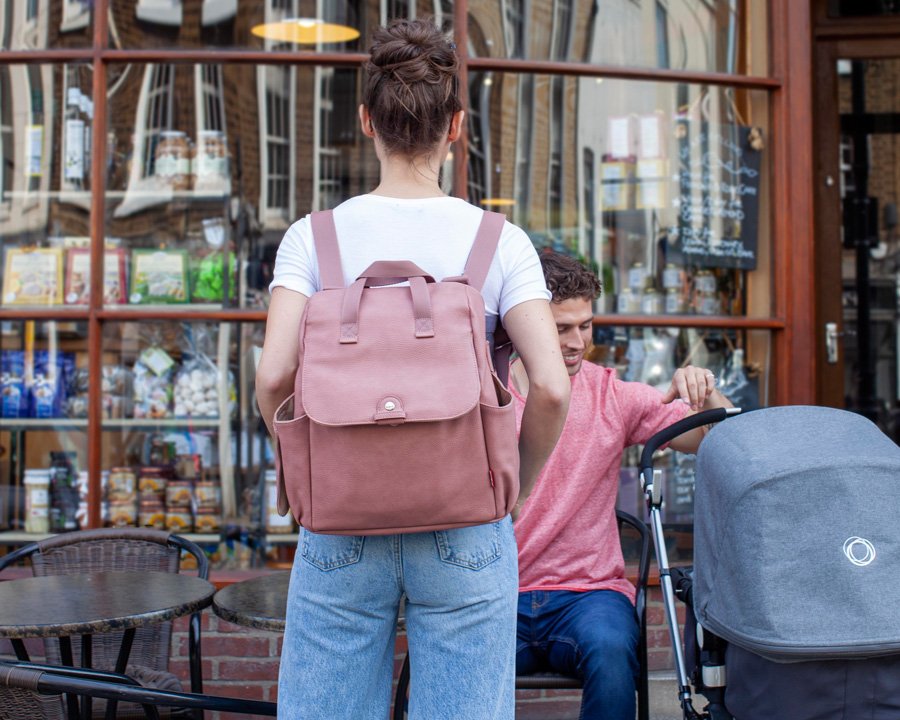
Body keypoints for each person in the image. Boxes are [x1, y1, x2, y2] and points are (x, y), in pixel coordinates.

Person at [254, 19, 570, 720]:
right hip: (465, 518)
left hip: (342, 519)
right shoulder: (500, 241)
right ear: (455, 126)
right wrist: (511, 491)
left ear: (366, 120)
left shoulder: (315, 238)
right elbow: (550, 386)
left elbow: (274, 378)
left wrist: (305, 466)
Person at [510, 251, 733, 720]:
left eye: (585, 326)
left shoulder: (612, 394)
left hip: (588, 596)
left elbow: (724, 441)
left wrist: (703, 387)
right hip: (496, 589)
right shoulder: (487, 394)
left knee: (612, 654)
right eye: (560, 328)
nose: (576, 343)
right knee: (453, 666)